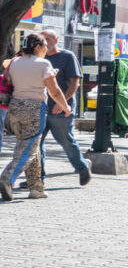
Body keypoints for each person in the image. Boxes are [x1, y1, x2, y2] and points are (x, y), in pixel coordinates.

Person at [0, 33, 72, 201]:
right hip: (34, 108)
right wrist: (65, 106)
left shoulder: (14, 62)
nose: (47, 49)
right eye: (45, 46)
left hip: (14, 108)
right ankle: (7, 179)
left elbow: (12, 80)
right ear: (37, 47)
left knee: (31, 147)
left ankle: (36, 188)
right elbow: (54, 91)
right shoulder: (44, 63)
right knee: (28, 149)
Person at [37, 29, 92, 186]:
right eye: (43, 39)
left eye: (48, 39)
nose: (45, 42)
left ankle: (82, 168)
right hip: (41, 108)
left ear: (56, 40)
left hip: (61, 110)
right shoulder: (39, 59)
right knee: (36, 145)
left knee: (66, 141)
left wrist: (63, 103)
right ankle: (37, 179)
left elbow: (75, 83)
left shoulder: (67, 56)